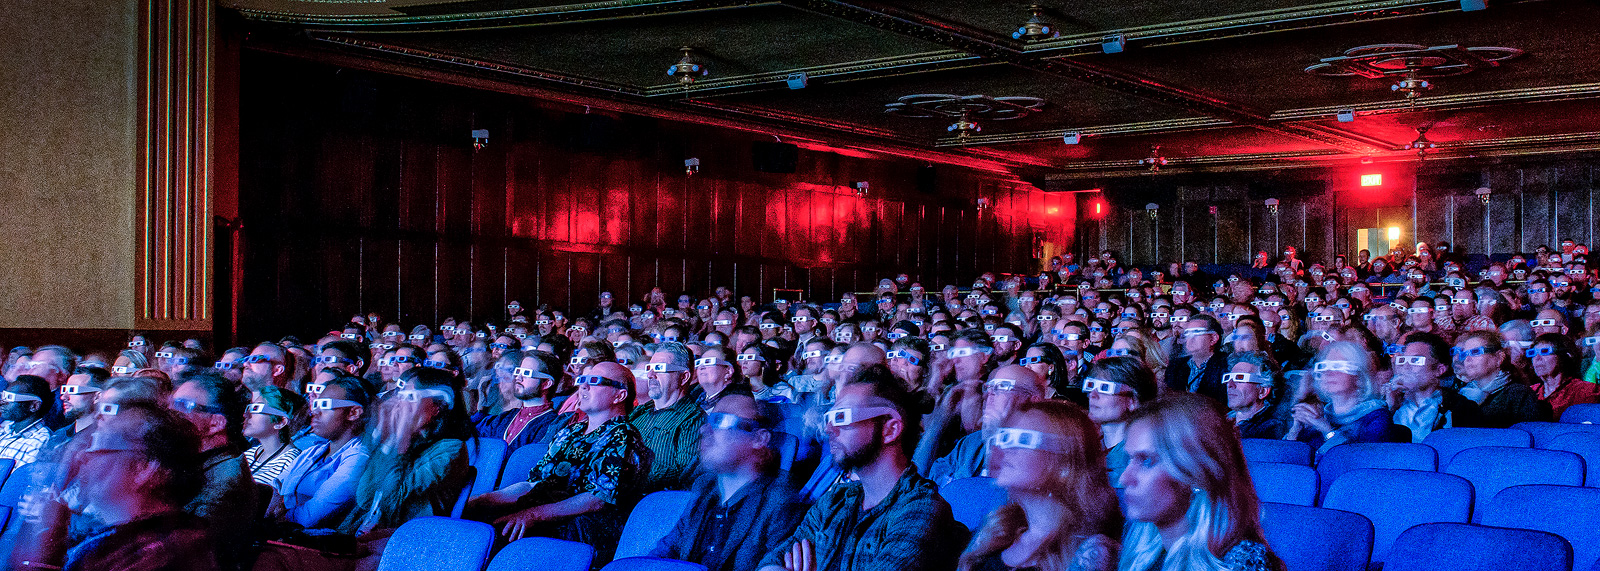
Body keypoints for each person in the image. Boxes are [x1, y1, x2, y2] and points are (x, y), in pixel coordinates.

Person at [758, 365, 965, 571]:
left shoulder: (922, 509)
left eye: (842, 417)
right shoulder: (834, 501)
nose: (829, 428)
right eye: (829, 418)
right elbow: (771, 562)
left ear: (889, 428)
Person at [467, 362, 647, 550]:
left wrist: (533, 515)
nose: (583, 386)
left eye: (594, 381)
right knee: (472, 517)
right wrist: (487, 498)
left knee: (491, 537)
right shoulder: (570, 431)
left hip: (581, 528)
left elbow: (598, 499)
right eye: (583, 380)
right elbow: (534, 483)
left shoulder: (623, 436)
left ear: (619, 395)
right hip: (541, 513)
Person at [1118, 393, 1283, 571]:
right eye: (1129, 459)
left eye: (1146, 461)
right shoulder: (1139, 547)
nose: (1125, 478)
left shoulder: (1240, 564)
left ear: (1196, 474)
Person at [957, 400, 1121, 571]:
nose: (1004, 449)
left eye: (1023, 438)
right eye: (1005, 438)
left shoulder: (1092, 549)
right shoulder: (998, 528)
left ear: (1065, 459)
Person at [652, 395, 807, 571]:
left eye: (720, 420)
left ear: (759, 439)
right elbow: (664, 554)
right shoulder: (704, 488)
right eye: (708, 420)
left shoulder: (781, 501)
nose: (704, 430)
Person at [59, 402, 218, 571]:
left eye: (98, 445)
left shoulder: (153, 555)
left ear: (143, 468)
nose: (82, 457)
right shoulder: (131, 542)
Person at [168, 372, 255, 571]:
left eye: (183, 405)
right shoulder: (193, 462)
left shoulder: (226, 481)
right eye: (172, 404)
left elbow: (183, 551)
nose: (171, 413)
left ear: (216, 423)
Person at [268, 371, 372, 530]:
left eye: (324, 405)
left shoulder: (359, 457)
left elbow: (309, 518)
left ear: (353, 412)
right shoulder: (313, 452)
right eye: (316, 404)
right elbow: (273, 489)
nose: (314, 412)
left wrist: (277, 514)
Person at [925, 365, 1049, 485]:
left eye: (1002, 386)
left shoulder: (1043, 450)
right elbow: (934, 472)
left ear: (1034, 401)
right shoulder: (971, 443)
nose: (989, 394)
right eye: (989, 387)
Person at [1287, 341, 1397, 457]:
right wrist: (1295, 430)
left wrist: (1327, 431)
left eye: (1338, 366)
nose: (1328, 372)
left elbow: (1360, 463)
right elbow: (1288, 463)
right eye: (1324, 366)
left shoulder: (1377, 418)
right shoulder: (1319, 416)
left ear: (1359, 378)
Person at [630, 342, 706, 492]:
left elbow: (682, 472)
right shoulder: (637, 414)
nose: (650, 375)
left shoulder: (693, 419)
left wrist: (627, 474)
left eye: (659, 368)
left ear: (683, 377)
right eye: (649, 369)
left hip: (656, 504)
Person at [1387, 332, 1481, 442]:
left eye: (1416, 360)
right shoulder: (1390, 406)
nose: (1406, 366)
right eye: (1403, 360)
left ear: (1439, 369)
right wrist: (1389, 410)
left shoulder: (1462, 410)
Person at [1083, 357, 1157, 487]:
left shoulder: (1142, 459)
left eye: (1105, 388)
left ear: (1132, 401)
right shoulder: (1086, 446)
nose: (1092, 395)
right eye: (1091, 386)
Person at [1452, 331, 1551, 427]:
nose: (1467, 359)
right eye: (1464, 354)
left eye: (1475, 352)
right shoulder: (1462, 395)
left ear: (1499, 357)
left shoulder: (1518, 395)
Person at [475, 351, 566, 454]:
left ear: (546, 383)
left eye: (527, 373)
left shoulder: (551, 425)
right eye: (518, 371)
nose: (518, 377)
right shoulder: (507, 416)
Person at [1526, 333, 1600, 418]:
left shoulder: (1585, 391)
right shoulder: (1530, 392)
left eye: (1544, 351)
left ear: (1564, 356)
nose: (1537, 358)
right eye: (1532, 353)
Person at [243, 386, 305, 486]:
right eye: (249, 408)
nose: (246, 415)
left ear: (280, 422)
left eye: (256, 408)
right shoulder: (249, 455)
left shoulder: (292, 462)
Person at [1162, 315, 1227, 404]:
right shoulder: (1175, 366)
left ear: (1213, 338)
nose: (1190, 338)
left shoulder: (1226, 365)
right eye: (1187, 333)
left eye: (1196, 332)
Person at [0, 375, 57, 465]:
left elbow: (21, 478)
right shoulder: (4, 431)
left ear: (34, 406)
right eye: (3, 396)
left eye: (10, 397)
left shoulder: (40, 441)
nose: (2, 402)